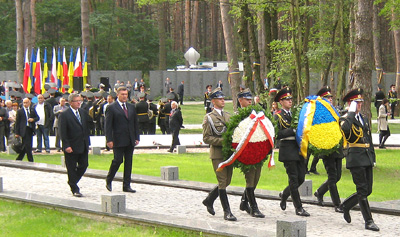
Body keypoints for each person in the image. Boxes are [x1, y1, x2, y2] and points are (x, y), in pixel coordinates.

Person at [339, 88, 379, 231]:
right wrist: (350, 111)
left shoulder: (363, 117)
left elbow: (368, 138)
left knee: (368, 190)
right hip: (355, 157)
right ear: (350, 103)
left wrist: (373, 156)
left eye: (360, 102)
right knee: (362, 190)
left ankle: (346, 205)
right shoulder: (345, 118)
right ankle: (368, 221)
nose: (360, 104)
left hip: (366, 156)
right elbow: (346, 130)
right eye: (357, 102)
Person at [202, 88, 236, 221]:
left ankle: (209, 199)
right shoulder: (209, 118)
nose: (223, 101)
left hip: (229, 154)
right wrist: (223, 142)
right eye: (220, 99)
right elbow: (206, 138)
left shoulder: (228, 115)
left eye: (223, 98)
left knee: (227, 181)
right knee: (222, 182)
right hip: (217, 154)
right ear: (213, 101)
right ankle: (227, 212)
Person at [274, 87, 310, 216]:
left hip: (299, 149)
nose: (290, 101)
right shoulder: (277, 115)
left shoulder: (296, 114)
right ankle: (298, 207)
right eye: (286, 99)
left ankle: (284, 194)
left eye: (290, 99)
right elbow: (277, 134)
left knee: (301, 178)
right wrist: (293, 131)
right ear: (281, 102)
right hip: (288, 150)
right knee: (294, 179)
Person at [313, 86, 344, 213]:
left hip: (337, 148)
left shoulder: (335, 112)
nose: (330, 99)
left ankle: (319, 192)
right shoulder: (319, 114)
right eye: (327, 97)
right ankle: (337, 204)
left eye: (331, 97)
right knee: (332, 177)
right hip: (327, 149)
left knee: (338, 176)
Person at [105, 86, 140, 193]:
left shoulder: (131, 107)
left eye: (126, 94)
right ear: (118, 95)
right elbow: (108, 125)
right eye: (123, 94)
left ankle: (126, 185)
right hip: (118, 139)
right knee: (118, 160)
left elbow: (135, 123)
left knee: (128, 162)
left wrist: (137, 137)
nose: (125, 96)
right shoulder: (112, 108)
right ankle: (109, 179)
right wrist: (109, 139)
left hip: (130, 139)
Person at [237, 89, 265, 218]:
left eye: (250, 99)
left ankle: (244, 202)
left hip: (257, 151)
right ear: (240, 100)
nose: (249, 101)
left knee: (256, 178)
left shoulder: (256, 114)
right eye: (246, 99)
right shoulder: (238, 116)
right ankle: (254, 207)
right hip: (246, 152)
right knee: (250, 180)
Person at [59, 94, 92, 197]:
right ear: (70, 102)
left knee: (84, 165)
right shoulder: (64, 115)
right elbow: (62, 132)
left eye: (80, 101)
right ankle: (75, 189)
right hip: (71, 146)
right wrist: (66, 145)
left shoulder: (82, 112)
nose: (78, 103)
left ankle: (72, 181)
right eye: (76, 101)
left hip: (83, 144)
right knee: (71, 167)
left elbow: (87, 126)